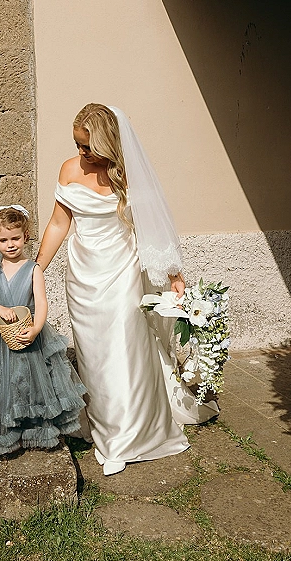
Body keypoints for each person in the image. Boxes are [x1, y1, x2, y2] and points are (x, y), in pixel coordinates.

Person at [36, 103, 218, 476]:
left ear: (107, 142)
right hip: (82, 279)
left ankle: (126, 438)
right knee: (94, 356)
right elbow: (58, 223)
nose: (81, 154)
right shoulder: (70, 169)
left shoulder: (129, 174)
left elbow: (152, 229)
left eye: (87, 146)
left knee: (124, 349)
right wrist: (37, 268)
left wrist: (173, 276)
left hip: (122, 273)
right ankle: (102, 424)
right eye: (77, 145)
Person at [0, 205, 86, 456]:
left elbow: (41, 303)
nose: (10, 244)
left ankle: (30, 427)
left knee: (29, 381)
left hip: (26, 334)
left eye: (15, 238)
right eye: (3, 240)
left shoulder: (33, 269)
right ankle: (5, 430)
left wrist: (35, 329)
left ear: (26, 236)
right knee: (0, 381)